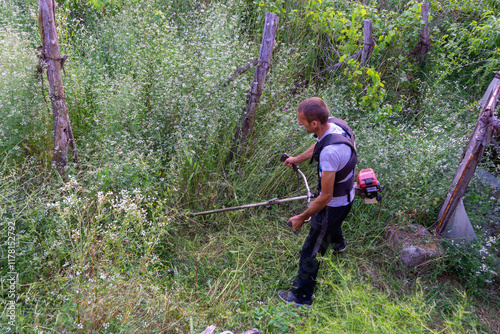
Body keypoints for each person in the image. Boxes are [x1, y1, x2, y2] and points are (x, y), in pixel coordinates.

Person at [278, 97, 357, 307]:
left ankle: (302, 297)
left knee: (311, 250)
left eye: (301, 121)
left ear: (314, 123)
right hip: (348, 197)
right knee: (331, 228)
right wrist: (296, 159)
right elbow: (319, 145)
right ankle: (339, 245)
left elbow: (325, 197)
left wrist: (303, 217)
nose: (299, 124)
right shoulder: (336, 125)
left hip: (333, 206)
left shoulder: (330, 154)